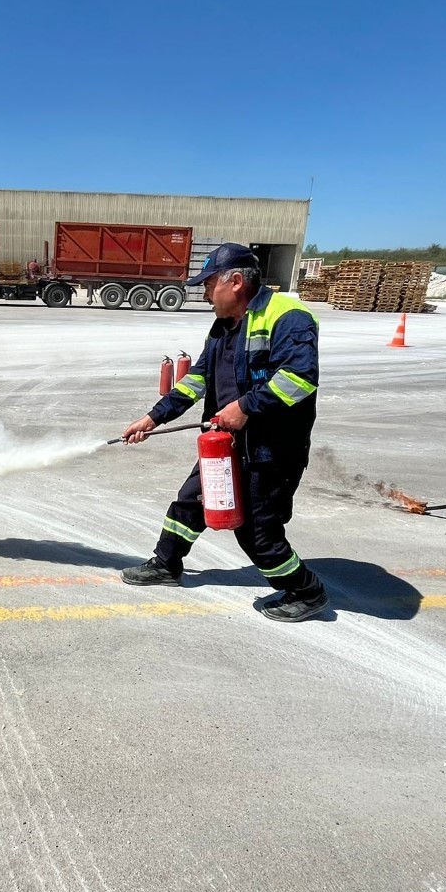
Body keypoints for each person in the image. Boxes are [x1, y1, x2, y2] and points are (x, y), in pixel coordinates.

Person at [119, 243, 328, 623]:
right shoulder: (222, 325)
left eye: (208, 283)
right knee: (190, 503)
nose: (203, 293)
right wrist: (154, 417)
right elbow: (198, 378)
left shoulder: (288, 316)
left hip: (272, 449)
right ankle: (167, 565)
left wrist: (246, 407)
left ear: (234, 282)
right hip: (225, 444)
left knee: (257, 533)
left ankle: (307, 591)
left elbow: (300, 379)